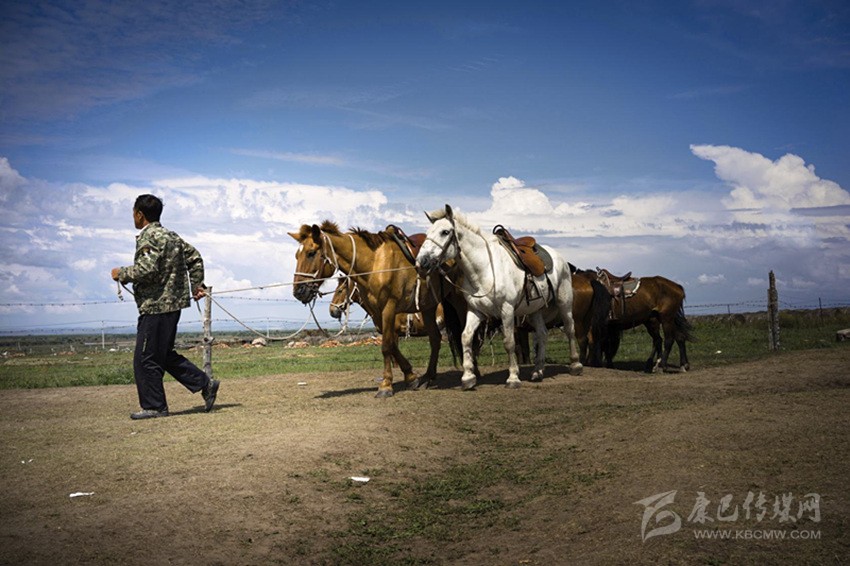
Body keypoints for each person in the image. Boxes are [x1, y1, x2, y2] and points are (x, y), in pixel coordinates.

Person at [111, 194, 220, 419]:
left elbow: (147, 269)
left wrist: (121, 273)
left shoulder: (149, 237)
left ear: (139, 214)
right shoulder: (172, 236)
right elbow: (195, 258)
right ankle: (205, 385)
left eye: (133, 212)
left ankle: (154, 406)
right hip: (173, 305)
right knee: (163, 354)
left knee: (145, 359)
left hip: (156, 306)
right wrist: (196, 285)